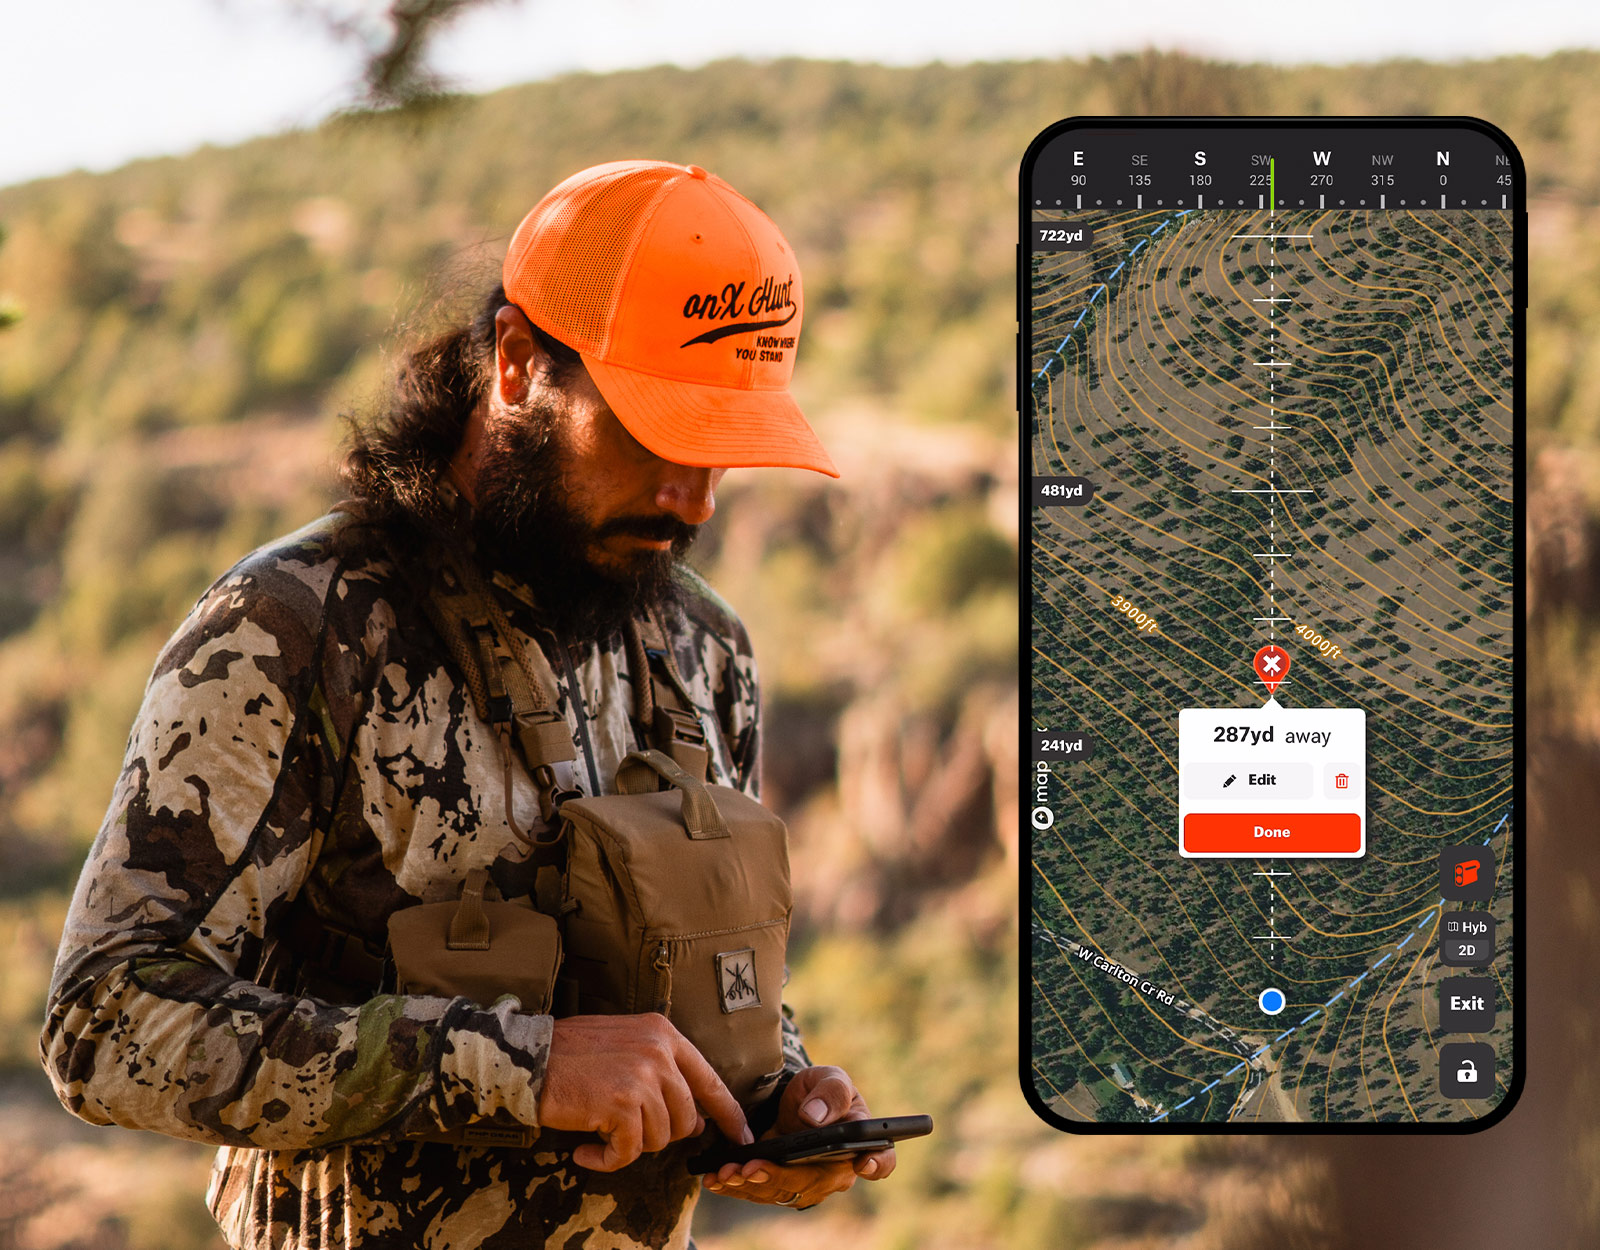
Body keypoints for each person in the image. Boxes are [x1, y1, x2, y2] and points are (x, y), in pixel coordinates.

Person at [39, 160, 895, 1250]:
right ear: (518, 363)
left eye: (723, 447)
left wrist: (772, 1100)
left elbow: (688, 994)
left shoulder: (704, 647)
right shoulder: (296, 630)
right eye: (654, 434)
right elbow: (103, 1022)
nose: (695, 499)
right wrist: (520, 1068)